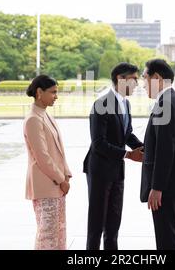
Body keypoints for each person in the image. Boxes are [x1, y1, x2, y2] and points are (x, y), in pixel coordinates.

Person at [83, 62, 144, 250]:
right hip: (100, 170)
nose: (137, 84)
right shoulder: (101, 104)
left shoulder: (125, 103)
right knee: (96, 225)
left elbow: (127, 134)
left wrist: (146, 148)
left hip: (117, 171)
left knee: (113, 224)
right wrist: (127, 154)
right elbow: (98, 143)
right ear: (120, 79)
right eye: (134, 79)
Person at [140, 59, 175, 250]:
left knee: (167, 239)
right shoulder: (173, 100)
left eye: (145, 79)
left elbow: (165, 149)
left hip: (167, 186)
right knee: (170, 235)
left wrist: (157, 187)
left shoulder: (166, 104)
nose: (143, 84)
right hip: (172, 182)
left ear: (157, 78)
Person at [23, 75, 72, 250]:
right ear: (39, 92)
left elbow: (58, 149)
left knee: (58, 233)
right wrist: (61, 179)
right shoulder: (33, 119)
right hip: (45, 185)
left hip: (57, 184)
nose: (56, 96)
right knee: (48, 235)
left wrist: (66, 175)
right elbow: (42, 157)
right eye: (53, 92)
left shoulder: (44, 115)